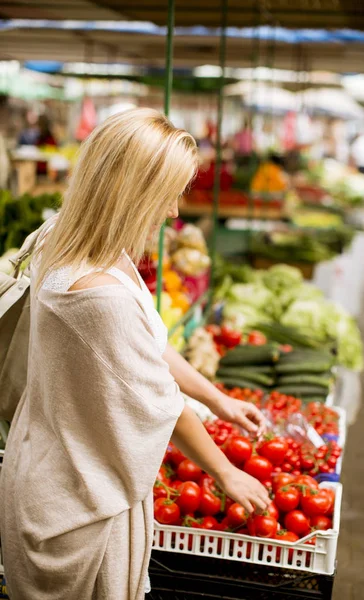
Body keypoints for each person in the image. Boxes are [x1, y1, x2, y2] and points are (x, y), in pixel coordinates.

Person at [0, 108, 269, 600]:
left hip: (53, 468)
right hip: (77, 504)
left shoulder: (62, 239)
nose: (173, 213)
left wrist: (220, 400)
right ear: (133, 192)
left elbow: (151, 341)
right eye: (169, 194)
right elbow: (163, 404)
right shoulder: (98, 296)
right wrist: (226, 472)